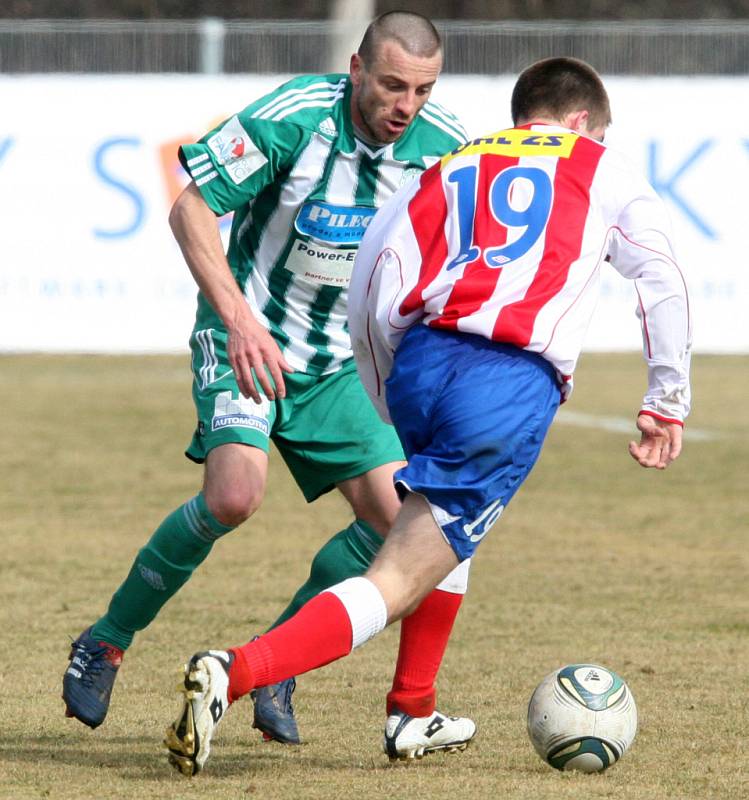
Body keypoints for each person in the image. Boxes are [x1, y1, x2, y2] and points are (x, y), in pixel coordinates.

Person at [163, 56, 692, 777]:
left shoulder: (455, 160)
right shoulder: (598, 163)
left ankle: (412, 711)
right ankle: (236, 670)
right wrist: (665, 399)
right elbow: (660, 275)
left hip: (419, 362)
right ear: (579, 124)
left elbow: (378, 270)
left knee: (441, 533)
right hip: (503, 383)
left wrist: (386, 389)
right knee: (398, 576)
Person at [63, 10, 477, 758]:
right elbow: (191, 205)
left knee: (398, 525)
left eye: (420, 89)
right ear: (355, 68)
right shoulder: (294, 118)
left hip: (341, 364)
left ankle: (271, 666)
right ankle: (106, 640)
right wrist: (238, 320)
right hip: (246, 338)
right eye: (389, 84)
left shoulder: (444, 147)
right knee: (233, 495)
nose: (404, 105)